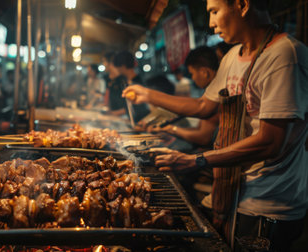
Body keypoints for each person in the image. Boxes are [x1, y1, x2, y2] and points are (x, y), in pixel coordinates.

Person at [123, 0, 308, 250]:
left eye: (214, 11)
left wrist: (195, 160)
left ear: (242, 5)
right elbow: (203, 107)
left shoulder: (285, 56)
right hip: (228, 193)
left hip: (266, 205)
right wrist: (148, 94)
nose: (210, 23)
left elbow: (271, 142)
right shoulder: (233, 56)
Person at [112, 51, 150, 123]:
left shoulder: (141, 82)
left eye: (117, 66)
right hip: (134, 124)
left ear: (122, 66)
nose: (116, 69)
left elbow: (146, 107)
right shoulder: (125, 82)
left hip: (144, 125)